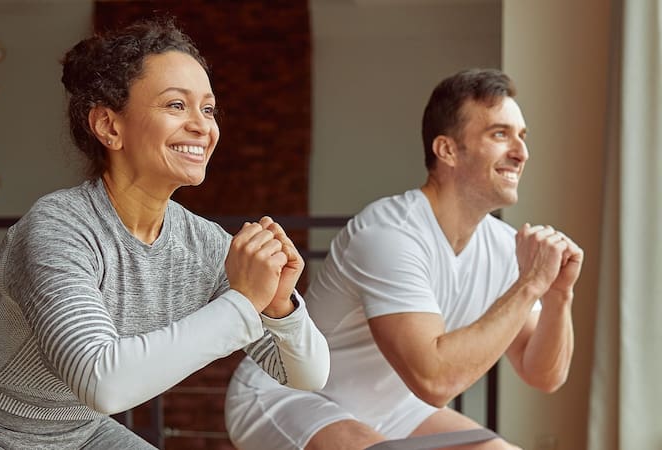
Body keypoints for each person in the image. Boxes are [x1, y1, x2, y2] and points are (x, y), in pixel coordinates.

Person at [0, 18, 329, 450]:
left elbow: (306, 376)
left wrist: (279, 306)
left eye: (208, 108)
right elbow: (104, 383)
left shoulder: (204, 245)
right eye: (177, 105)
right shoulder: (59, 228)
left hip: (79, 436)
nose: (202, 126)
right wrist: (241, 303)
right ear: (109, 127)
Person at [225, 68, 583, 450]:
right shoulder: (389, 234)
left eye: (522, 137)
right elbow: (434, 380)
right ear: (446, 149)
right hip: (291, 394)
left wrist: (559, 294)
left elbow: (543, 374)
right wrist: (530, 284)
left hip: (396, 408)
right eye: (500, 134)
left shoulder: (503, 246)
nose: (521, 152)